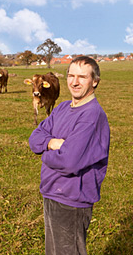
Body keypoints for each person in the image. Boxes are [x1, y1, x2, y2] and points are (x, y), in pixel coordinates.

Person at [28, 56, 110, 255]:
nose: (74, 82)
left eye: (82, 77)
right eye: (71, 75)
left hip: (72, 199)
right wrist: (52, 143)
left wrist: (44, 155)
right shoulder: (63, 107)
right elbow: (34, 138)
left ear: (95, 81)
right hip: (51, 191)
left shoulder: (91, 115)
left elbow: (69, 162)